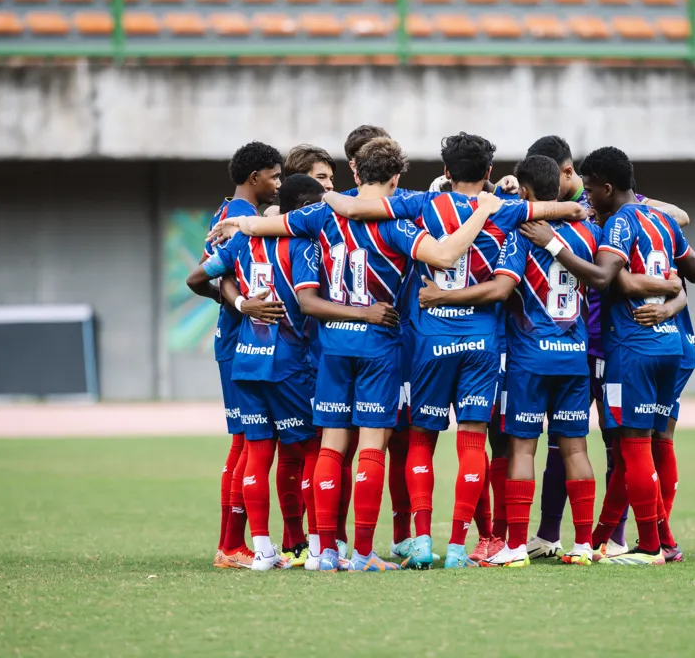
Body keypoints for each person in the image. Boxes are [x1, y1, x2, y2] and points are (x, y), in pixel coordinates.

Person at [207, 137, 506, 572]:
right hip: (378, 344)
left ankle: (324, 551)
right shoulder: (399, 222)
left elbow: (271, 226)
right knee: (370, 445)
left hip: (332, 345)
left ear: (356, 172)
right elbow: (445, 254)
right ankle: (364, 553)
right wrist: (483, 209)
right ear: (397, 177)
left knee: (330, 444)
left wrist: (241, 227)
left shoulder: (323, 214)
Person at [322, 132, 587, 569]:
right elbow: (573, 207)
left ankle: (422, 540)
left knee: (421, 441)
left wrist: (325, 196)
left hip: (431, 340)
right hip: (483, 342)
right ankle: (461, 547)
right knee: (472, 442)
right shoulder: (502, 210)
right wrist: (524, 201)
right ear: (487, 172)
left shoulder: (420, 204)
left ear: (445, 172)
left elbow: (354, 207)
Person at [518, 146, 695, 566]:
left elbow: (605, 279)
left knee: (630, 447)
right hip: (669, 344)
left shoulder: (618, 223)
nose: (586, 198)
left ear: (605, 186)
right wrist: (669, 288)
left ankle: (651, 544)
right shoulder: (658, 219)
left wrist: (551, 245)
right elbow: (693, 272)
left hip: (629, 347)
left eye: (590, 190)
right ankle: (626, 537)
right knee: (644, 445)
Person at [417, 155, 603, 567]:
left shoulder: (521, 234)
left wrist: (441, 296)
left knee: (521, 448)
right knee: (575, 449)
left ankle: (515, 545)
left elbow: (501, 290)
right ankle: (584, 545)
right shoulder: (589, 233)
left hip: (529, 358)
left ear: (528, 192)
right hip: (573, 358)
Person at [187, 174, 332, 570]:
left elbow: (196, 277)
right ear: (305, 210)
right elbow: (308, 302)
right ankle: (319, 549)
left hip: (246, 358)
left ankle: (263, 552)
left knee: (257, 451)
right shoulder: (304, 246)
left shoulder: (242, 240)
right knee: (310, 451)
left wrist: (238, 304)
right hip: (288, 363)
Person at [193, 142, 283, 570]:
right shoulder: (236, 220)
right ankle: (231, 544)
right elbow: (203, 274)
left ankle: (233, 543)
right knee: (247, 442)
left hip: (239, 338)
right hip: (238, 342)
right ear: (254, 178)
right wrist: (238, 305)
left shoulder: (231, 212)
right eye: (274, 176)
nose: (278, 184)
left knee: (245, 442)